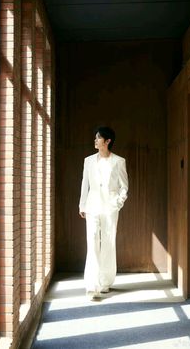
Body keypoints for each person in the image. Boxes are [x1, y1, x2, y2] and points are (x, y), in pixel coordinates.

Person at [79, 126, 128, 300]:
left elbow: (124, 186)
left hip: (110, 208)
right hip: (92, 206)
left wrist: (117, 203)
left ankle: (105, 282)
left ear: (107, 141)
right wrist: (82, 205)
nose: (95, 140)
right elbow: (85, 183)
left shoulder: (118, 161)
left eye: (98, 138)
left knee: (108, 242)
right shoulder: (88, 161)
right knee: (92, 241)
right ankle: (92, 285)